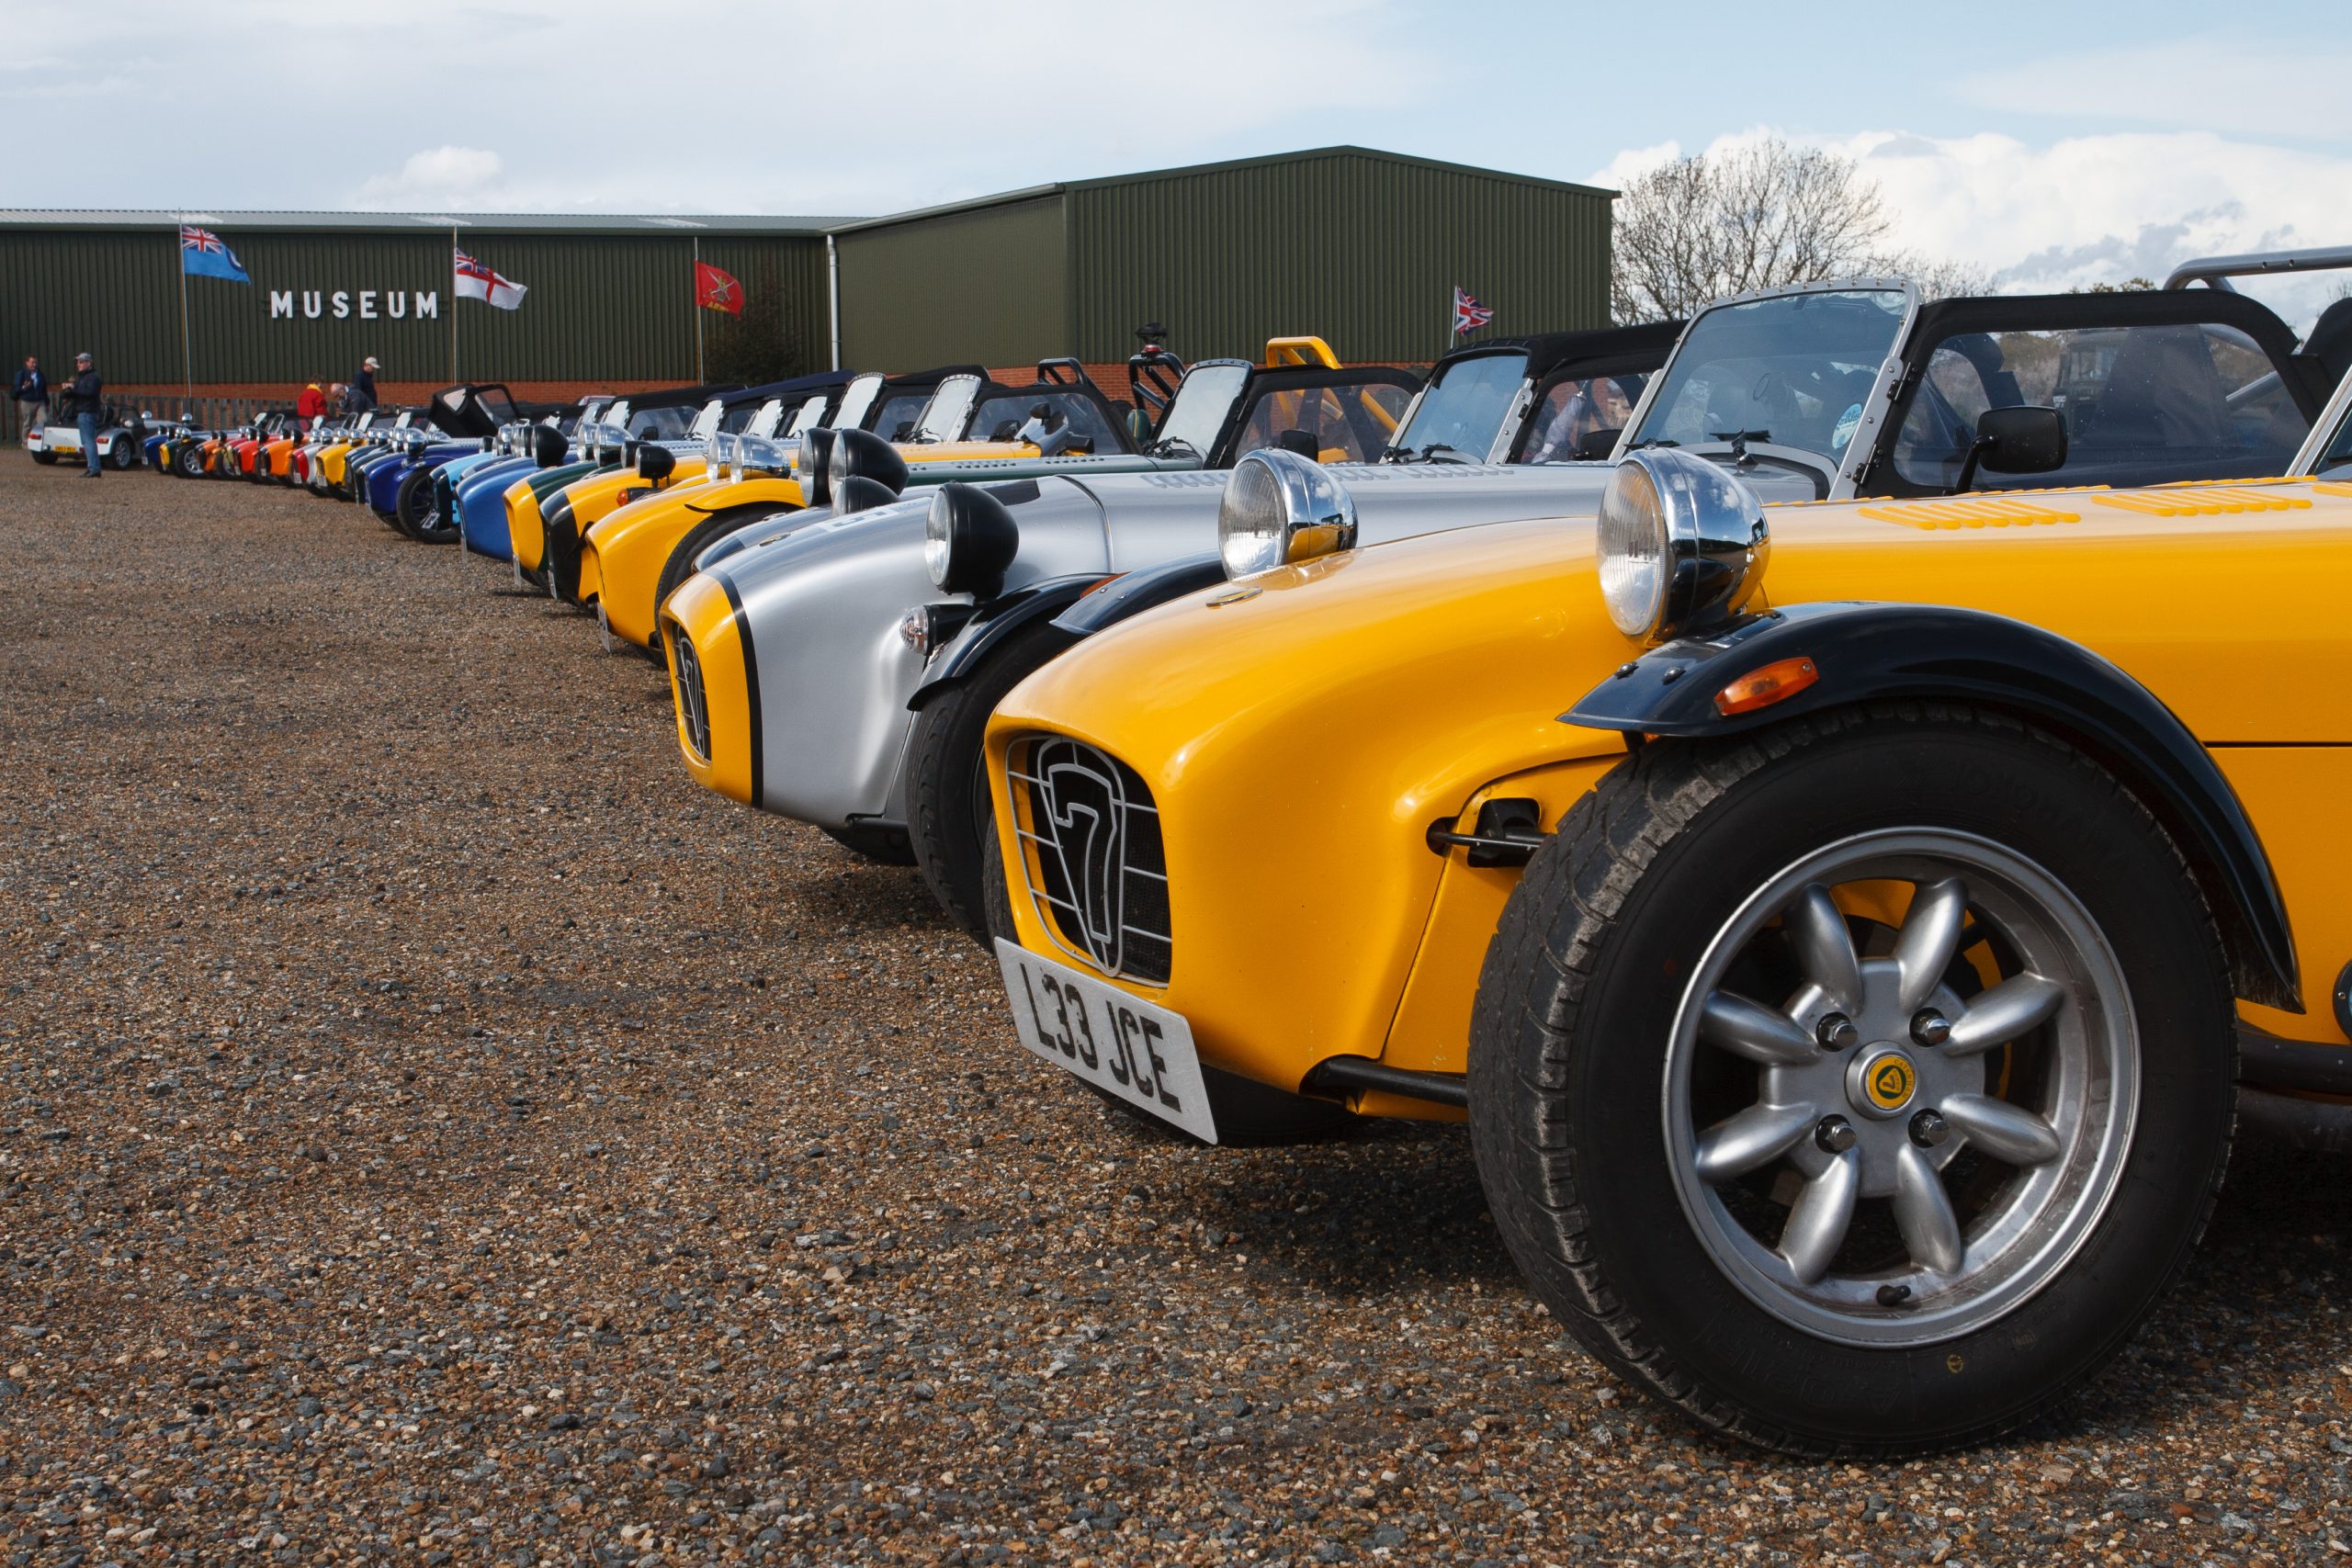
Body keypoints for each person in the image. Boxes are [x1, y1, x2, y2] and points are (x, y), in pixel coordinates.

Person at [69, 352, 104, 479]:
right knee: (86, 441)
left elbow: (90, 392)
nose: (78, 364)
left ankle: (94, 468)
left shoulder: (93, 378)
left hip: (88, 412)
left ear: (89, 363)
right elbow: (79, 392)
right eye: (78, 362)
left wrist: (74, 389)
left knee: (89, 441)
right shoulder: (81, 377)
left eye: (81, 362)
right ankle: (93, 467)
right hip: (82, 411)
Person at [11, 355, 46, 445]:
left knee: (43, 420)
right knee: (27, 423)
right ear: (27, 363)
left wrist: (47, 402)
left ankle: (39, 441)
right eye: (32, 362)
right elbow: (16, 388)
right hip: (27, 401)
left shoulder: (40, 374)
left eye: (35, 363)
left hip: (39, 401)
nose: (34, 365)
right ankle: (25, 442)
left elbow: (44, 389)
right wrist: (24, 387)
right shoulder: (21, 374)